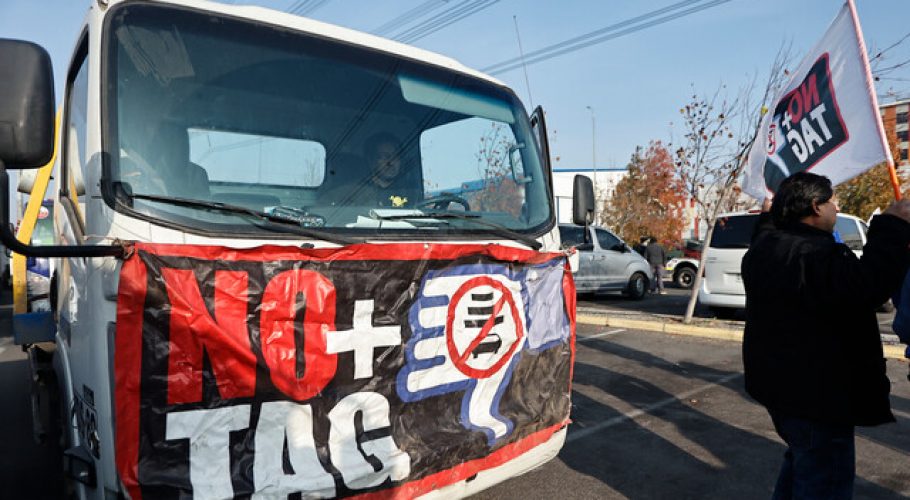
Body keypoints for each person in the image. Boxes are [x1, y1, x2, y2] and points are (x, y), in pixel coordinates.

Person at [741, 172, 910, 499]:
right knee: (823, 482)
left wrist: (768, 215)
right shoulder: (812, 254)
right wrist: (892, 225)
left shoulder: (767, 246)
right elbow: (867, 285)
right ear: (816, 207)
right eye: (833, 201)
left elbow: (765, 232)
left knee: (802, 466)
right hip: (817, 401)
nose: (837, 208)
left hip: (786, 395)